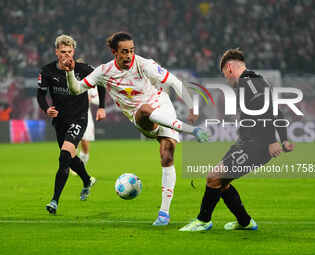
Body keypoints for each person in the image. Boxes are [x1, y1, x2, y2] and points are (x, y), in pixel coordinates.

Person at [62, 32, 208, 225]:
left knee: (167, 155)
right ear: (115, 52)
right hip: (140, 117)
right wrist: (70, 72)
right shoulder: (104, 71)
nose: (129, 55)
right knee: (144, 110)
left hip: (163, 108)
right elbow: (76, 89)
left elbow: (173, 81)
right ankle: (192, 130)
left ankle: (164, 213)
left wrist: (192, 106)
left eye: (131, 50)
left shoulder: (144, 64)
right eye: (124, 51)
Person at [179, 48, 295, 232]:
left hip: (257, 144)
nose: (226, 78)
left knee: (214, 177)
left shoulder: (248, 81)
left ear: (229, 68)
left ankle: (203, 220)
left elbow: (267, 109)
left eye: (225, 74)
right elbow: (276, 110)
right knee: (222, 183)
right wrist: (285, 138)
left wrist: (273, 140)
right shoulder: (254, 81)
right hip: (247, 142)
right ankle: (245, 222)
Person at [37, 34, 106, 214]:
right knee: (69, 157)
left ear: (73, 52)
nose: (66, 55)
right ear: (56, 52)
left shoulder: (83, 69)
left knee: (63, 158)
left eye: (69, 51)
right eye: (62, 52)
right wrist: (46, 109)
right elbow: (40, 95)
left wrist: (102, 108)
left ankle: (54, 201)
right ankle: (87, 180)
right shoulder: (47, 71)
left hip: (79, 118)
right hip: (60, 120)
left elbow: (101, 83)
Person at [79, 86, 101, 164]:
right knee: (72, 140)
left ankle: (83, 161)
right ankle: (72, 164)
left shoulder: (89, 83)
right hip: (71, 114)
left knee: (85, 140)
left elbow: (99, 99)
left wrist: (90, 99)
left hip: (86, 115)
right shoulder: (71, 80)